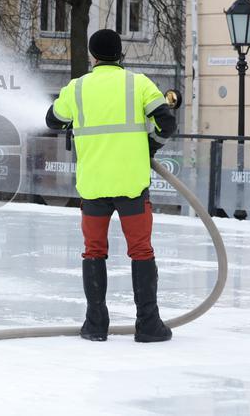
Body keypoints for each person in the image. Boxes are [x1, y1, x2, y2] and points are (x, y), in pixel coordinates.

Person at [45, 29, 177, 343]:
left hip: (93, 187)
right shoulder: (138, 83)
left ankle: (95, 325)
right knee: (141, 252)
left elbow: (53, 120)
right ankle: (148, 325)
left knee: (93, 252)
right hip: (131, 184)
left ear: (92, 55)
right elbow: (166, 123)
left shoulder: (77, 89)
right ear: (121, 54)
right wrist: (151, 147)